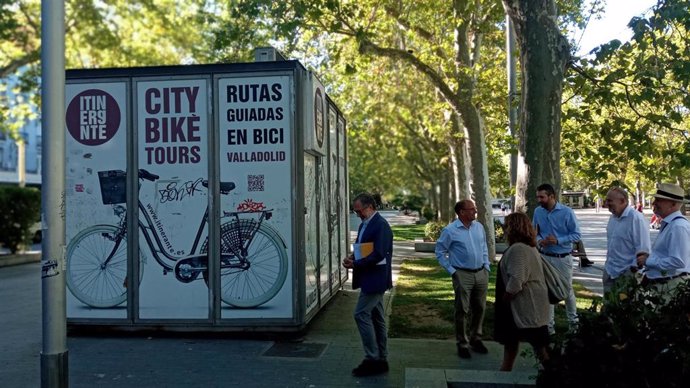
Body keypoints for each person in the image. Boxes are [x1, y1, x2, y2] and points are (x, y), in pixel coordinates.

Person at [342, 193, 393, 377]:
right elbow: (362, 246)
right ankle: (381, 358)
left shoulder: (380, 225)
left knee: (361, 314)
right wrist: (352, 256)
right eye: (355, 211)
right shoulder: (367, 223)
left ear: (370, 206)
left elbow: (378, 253)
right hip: (370, 278)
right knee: (377, 318)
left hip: (375, 280)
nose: (358, 215)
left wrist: (356, 263)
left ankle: (372, 358)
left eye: (359, 211)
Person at [494, 212, 550, 371]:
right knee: (515, 341)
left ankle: (552, 373)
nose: (503, 230)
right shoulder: (529, 248)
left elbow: (517, 279)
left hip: (525, 306)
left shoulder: (518, 249)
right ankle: (505, 370)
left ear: (512, 228)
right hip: (531, 305)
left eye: (506, 226)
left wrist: (506, 297)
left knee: (539, 345)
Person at [435, 199, 490, 359]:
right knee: (462, 310)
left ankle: (476, 339)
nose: (475, 211)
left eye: (475, 208)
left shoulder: (479, 227)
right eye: (471, 209)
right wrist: (452, 271)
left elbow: (484, 247)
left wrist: (486, 266)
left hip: (481, 273)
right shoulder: (450, 231)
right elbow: (439, 251)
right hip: (462, 274)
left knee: (480, 308)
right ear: (461, 212)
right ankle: (462, 343)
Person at [532, 183, 580, 334]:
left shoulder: (567, 212)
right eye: (538, 197)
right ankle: (549, 327)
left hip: (562, 257)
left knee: (567, 291)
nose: (539, 200)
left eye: (542, 197)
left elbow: (576, 234)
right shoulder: (538, 211)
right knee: (546, 290)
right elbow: (535, 231)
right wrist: (540, 240)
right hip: (544, 256)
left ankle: (573, 325)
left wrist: (558, 240)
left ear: (552, 196)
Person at [636, 183, 690, 295]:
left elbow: (678, 261)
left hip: (670, 288)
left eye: (659, 200)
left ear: (673, 204)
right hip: (665, 286)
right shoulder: (670, 224)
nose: (654, 203)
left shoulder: (678, 226)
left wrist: (648, 261)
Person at [603, 187, 651, 294]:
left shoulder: (636, 219)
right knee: (609, 307)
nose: (606, 204)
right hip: (610, 272)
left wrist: (631, 273)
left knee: (625, 308)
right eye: (606, 200)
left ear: (622, 201)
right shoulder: (613, 218)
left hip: (626, 275)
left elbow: (643, 250)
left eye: (610, 201)